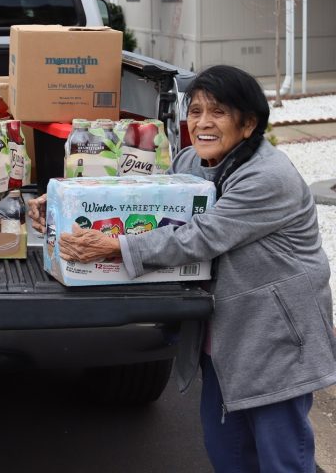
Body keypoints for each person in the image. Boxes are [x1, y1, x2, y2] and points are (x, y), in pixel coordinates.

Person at [29, 65, 336, 472]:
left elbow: (199, 236)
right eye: (196, 111)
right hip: (224, 338)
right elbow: (149, 204)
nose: (203, 123)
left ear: (248, 124)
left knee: (282, 460)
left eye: (218, 112)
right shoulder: (193, 159)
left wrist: (115, 247)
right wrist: (62, 209)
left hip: (273, 338)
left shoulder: (268, 177)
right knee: (228, 454)